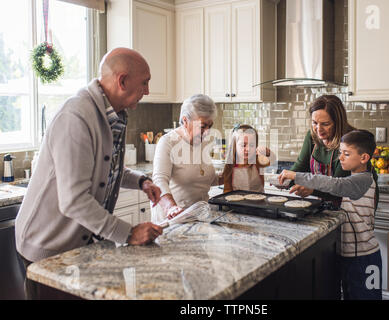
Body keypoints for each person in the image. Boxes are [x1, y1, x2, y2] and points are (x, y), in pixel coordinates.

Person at [15, 48, 164, 298]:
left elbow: (108, 168)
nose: (147, 91)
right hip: (46, 247)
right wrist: (128, 233)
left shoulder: (112, 114)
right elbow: (74, 201)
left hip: (76, 246)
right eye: (145, 82)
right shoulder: (76, 117)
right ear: (123, 81)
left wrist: (141, 182)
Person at [279, 130, 382, 300]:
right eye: (340, 152)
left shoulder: (363, 180)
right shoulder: (352, 180)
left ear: (364, 158)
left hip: (365, 258)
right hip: (347, 256)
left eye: (346, 154)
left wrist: (296, 175)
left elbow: (334, 184)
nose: (340, 158)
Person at [151, 94, 221, 224]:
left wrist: (232, 173)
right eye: (202, 126)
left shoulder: (203, 141)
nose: (207, 132)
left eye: (209, 127)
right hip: (174, 219)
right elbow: (159, 180)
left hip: (200, 218)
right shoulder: (168, 142)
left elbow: (203, 179)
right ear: (185, 121)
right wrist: (170, 207)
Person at [288, 95, 358, 206]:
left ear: (338, 122)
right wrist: (286, 179)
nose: (318, 129)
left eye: (325, 124)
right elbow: (301, 166)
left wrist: (312, 190)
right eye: (315, 123)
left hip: (352, 206)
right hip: (324, 202)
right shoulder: (312, 136)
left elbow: (339, 185)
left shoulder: (351, 141)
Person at [222, 124, 274, 193]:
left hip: (258, 201)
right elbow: (227, 191)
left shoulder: (257, 161)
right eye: (243, 145)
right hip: (237, 203)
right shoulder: (229, 166)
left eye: (252, 145)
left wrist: (267, 152)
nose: (248, 149)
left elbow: (272, 159)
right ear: (235, 146)